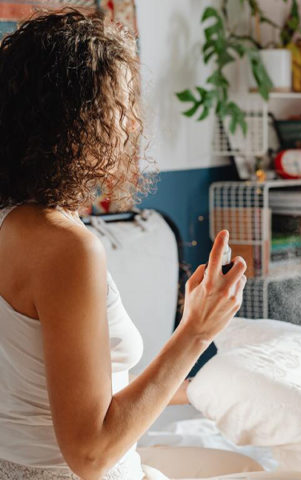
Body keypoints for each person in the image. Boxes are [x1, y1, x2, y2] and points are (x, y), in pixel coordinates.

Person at [0, 8, 248, 480]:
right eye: (120, 105)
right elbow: (90, 455)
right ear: (73, 119)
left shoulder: (15, 223)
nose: (132, 124)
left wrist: (197, 388)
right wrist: (196, 331)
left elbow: (54, 392)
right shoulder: (65, 247)